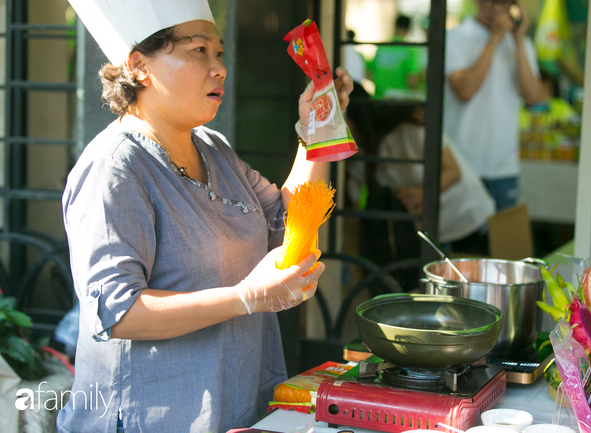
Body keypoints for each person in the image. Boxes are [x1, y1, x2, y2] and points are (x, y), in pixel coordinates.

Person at [58, 1, 353, 432]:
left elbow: (286, 224)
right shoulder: (114, 167)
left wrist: (318, 131)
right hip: (151, 416)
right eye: (199, 51)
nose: (219, 69)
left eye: (219, 53)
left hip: (235, 407)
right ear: (139, 65)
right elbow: (117, 313)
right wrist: (247, 296)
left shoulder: (212, 147)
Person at [444, 0, 543, 211]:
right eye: (494, 2)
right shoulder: (456, 37)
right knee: (461, 240)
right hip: (462, 164)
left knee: (502, 242)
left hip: (504, 167)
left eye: (507, 3)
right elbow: (465, 90)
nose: (499, 9)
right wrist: (494, 39)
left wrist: (517, 40)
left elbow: (533, 96)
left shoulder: (521, 44)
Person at [375, 107, 496, 256]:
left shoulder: (412, 132)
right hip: (433, 229)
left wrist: (421, 193)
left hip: (466, 216)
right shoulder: (366, 155)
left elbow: (453, 172)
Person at [366, 15, 425, 99]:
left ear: (395, 26)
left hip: (379, 99)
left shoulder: (382, 47)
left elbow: (369, 73)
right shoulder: (410, 49)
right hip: (399, 101)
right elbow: (412, 79)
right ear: (408, 29)